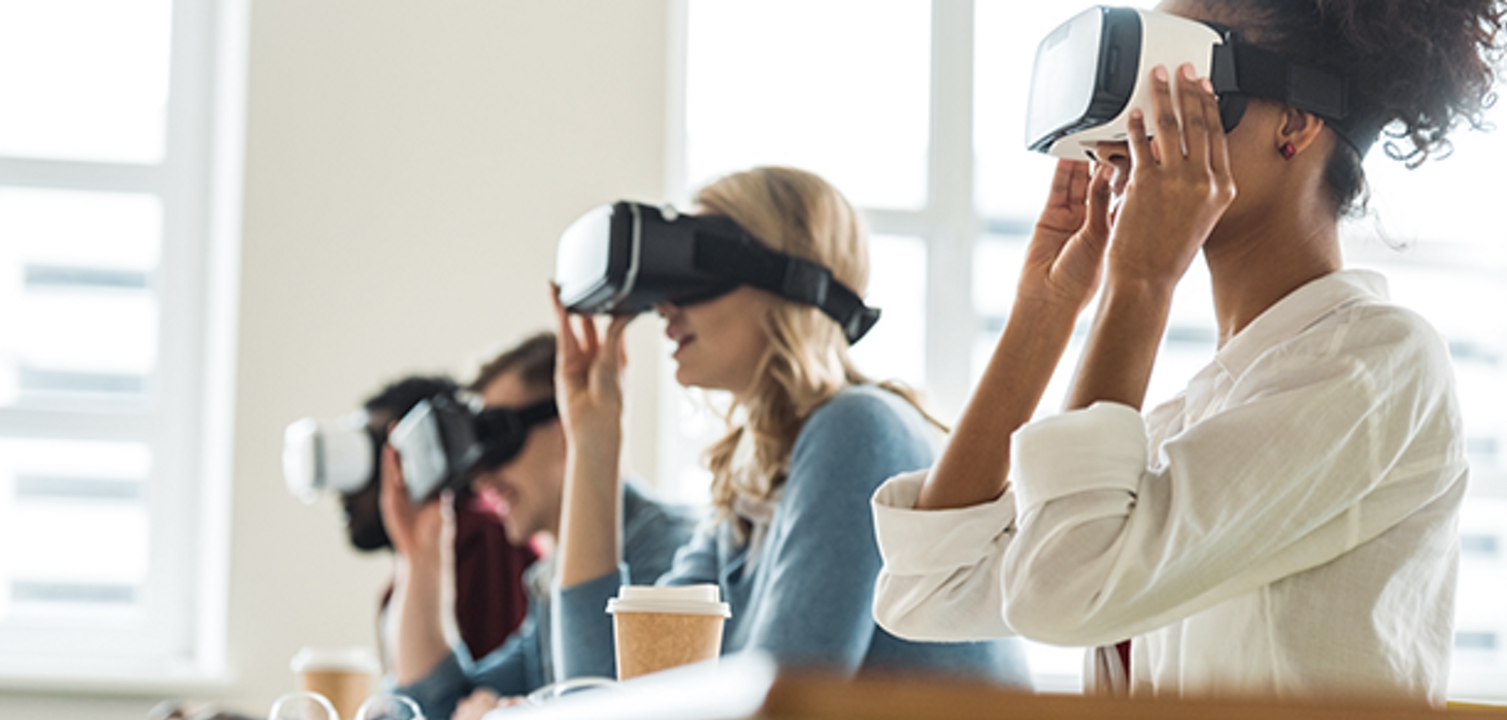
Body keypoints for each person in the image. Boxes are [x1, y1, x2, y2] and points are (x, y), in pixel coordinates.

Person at [869, 0, 1507, 705]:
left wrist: (1141, 282)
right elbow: (927, 589)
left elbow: (1066, 588)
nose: (1142, 129)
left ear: (1294, 122)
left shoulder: (1378, 362)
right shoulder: (1195, 411)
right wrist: (1044, 312)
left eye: (1178, 87)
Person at [551, 166, 1028, 685]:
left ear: (785, 282)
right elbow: (603, 688)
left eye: (696, 270)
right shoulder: (749, 498)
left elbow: (784, 697)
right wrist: (593, 440)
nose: (666, 304)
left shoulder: (860, 429)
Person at [382, 333, 701, 720]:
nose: (482, 479)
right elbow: (435, 709)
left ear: (571, 419)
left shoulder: (671, 552)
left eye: (498, 439)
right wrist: (421, 555)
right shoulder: (552, 580)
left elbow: (604, 710)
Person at [330, 375, 536, 664]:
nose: (346, 490)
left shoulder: (482, 539)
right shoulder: (399, 586)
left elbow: (480, 697)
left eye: (377, 457)